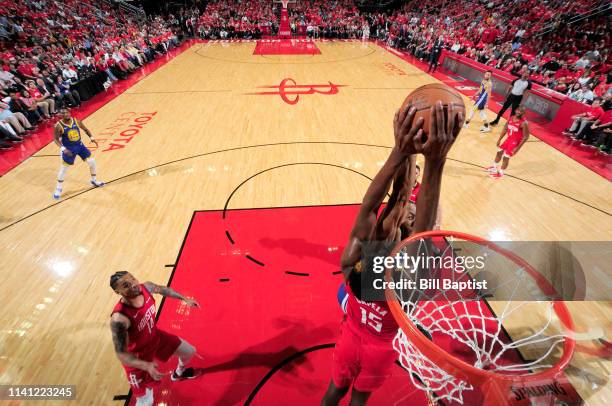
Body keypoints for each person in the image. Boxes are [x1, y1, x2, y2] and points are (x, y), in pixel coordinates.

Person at [322, 101, 463, 405]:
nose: (408, 215)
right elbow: (417, 224)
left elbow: (375, 207)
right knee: (358, 400)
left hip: (351, 332)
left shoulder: (354, 263)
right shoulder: (409, 281)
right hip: (380, 346)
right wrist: (435, 161)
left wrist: (403, 150)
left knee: (334, 390)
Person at [110, 271, 201, 406]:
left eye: (133, 279)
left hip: (155, 338)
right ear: (118, 292)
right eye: (126, 285)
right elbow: (121, 354)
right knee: (146, 401)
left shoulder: (146, 287)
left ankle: (179, 373)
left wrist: (184, 298)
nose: (133, 284)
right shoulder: (119, 319)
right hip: (137, 358)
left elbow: (164, 289)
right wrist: (145, 365)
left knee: (189, 351)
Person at [52, 108, 105, 200]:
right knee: (64, 169)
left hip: (80, 146)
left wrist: (92, 138)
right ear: (61, 115)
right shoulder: (59, 126)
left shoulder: (76, 121)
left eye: (67, 112)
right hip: (69, 149)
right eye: (63, 113)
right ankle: (58, 188)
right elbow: (56, 139)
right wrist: (63, 149)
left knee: (92, 161)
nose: (66, 114)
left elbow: (86, 129)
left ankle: (94, 180)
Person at [487, 106, 529, 178]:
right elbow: (505, 129)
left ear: (523, 113)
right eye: (518, 110)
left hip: (515, 142)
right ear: (516, 110)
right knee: (499, 152)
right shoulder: (511, 118)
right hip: (508, 139)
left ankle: (501, 173)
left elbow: (526, 137)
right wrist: (499, 139)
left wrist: (517, 148)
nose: (519, 112)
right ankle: (494, 168)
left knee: (506, 157)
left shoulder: (524, 123)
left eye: (521, 111)